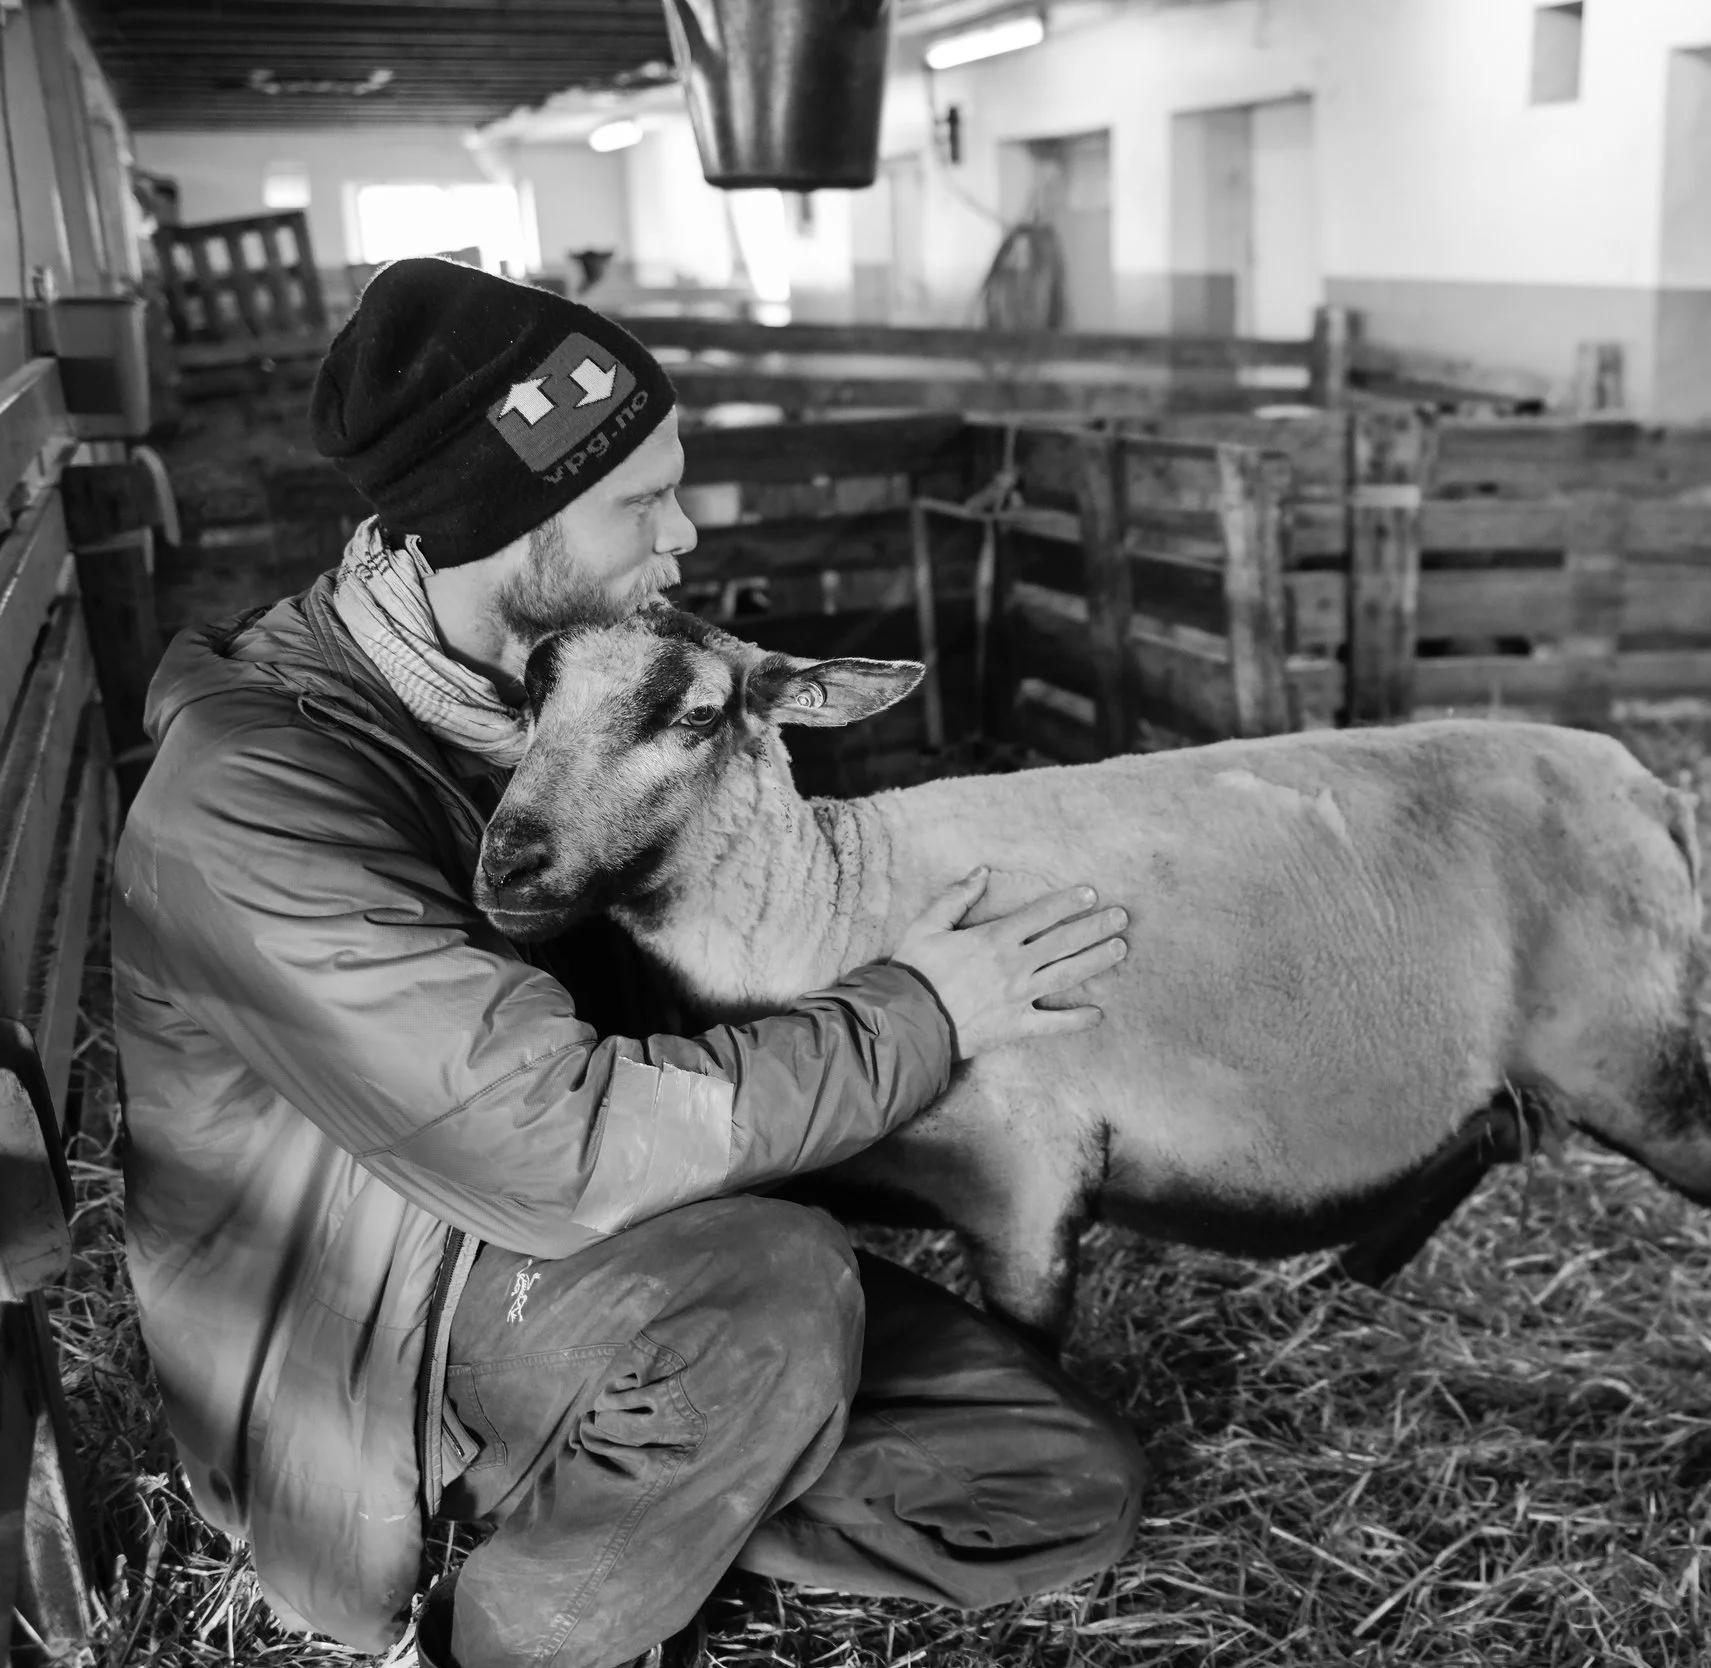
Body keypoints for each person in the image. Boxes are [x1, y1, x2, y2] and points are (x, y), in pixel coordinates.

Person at [111, 258, 1145, 1668]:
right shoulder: (256, 797)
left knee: (1060, 1479)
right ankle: (497, 1634)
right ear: (506, 522)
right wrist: (920, 1015)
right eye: (641, 501)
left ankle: (653, 1486)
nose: (686, 531)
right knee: (777, 1287)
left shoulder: (535, 700)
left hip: (590, 1252)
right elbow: (557, 1146)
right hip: (374, 1325)